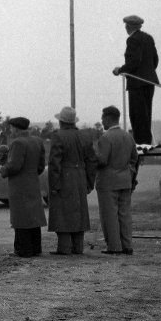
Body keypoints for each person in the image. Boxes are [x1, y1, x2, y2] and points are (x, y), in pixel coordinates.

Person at [47, 106, 97, 255]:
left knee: (61, 213)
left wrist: (54, 184)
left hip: (64, 177)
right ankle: (78, 247)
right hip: (80, 177)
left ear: (61, 121)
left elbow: (54, 163)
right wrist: (89, 182)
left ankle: (64, 248)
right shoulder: (85, 136)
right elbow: (92, 161)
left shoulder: (58, 136)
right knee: (79, 212)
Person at [0, 117, 47, 257]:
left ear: (16, 128)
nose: (11, 131)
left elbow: (14, 166)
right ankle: (36, 248)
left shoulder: (17, 143)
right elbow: (40, 166)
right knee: (33, 217)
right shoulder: (37, 141)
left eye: (12, 128)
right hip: (33, 182)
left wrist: (1, 169)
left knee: (21, 218)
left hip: (19, 186)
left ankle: (23, 249)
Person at [95, 105, 138, 255]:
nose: (101, 121)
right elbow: (134, 158)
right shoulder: (128, 136)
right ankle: (127, 245)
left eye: (103, 118)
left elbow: (102, 161)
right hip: (125, 180)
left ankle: (114, 246)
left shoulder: (105, 138)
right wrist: (129, 173)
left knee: (109, 215)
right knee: (124, 214)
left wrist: (92, 156)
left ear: (108, 118)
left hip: (107, 182)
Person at [112, 15, 159, 145]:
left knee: (137, 115)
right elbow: (155, 60)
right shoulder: (149, 38)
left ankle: (141, 143)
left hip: (137, 83)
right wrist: (147, 73)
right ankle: (146, 141)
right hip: (149, 82)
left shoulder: (132, 40)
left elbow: (134, 62)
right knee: (146, 113)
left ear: (128, 27)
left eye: (126, 26)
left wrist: (120, 70)